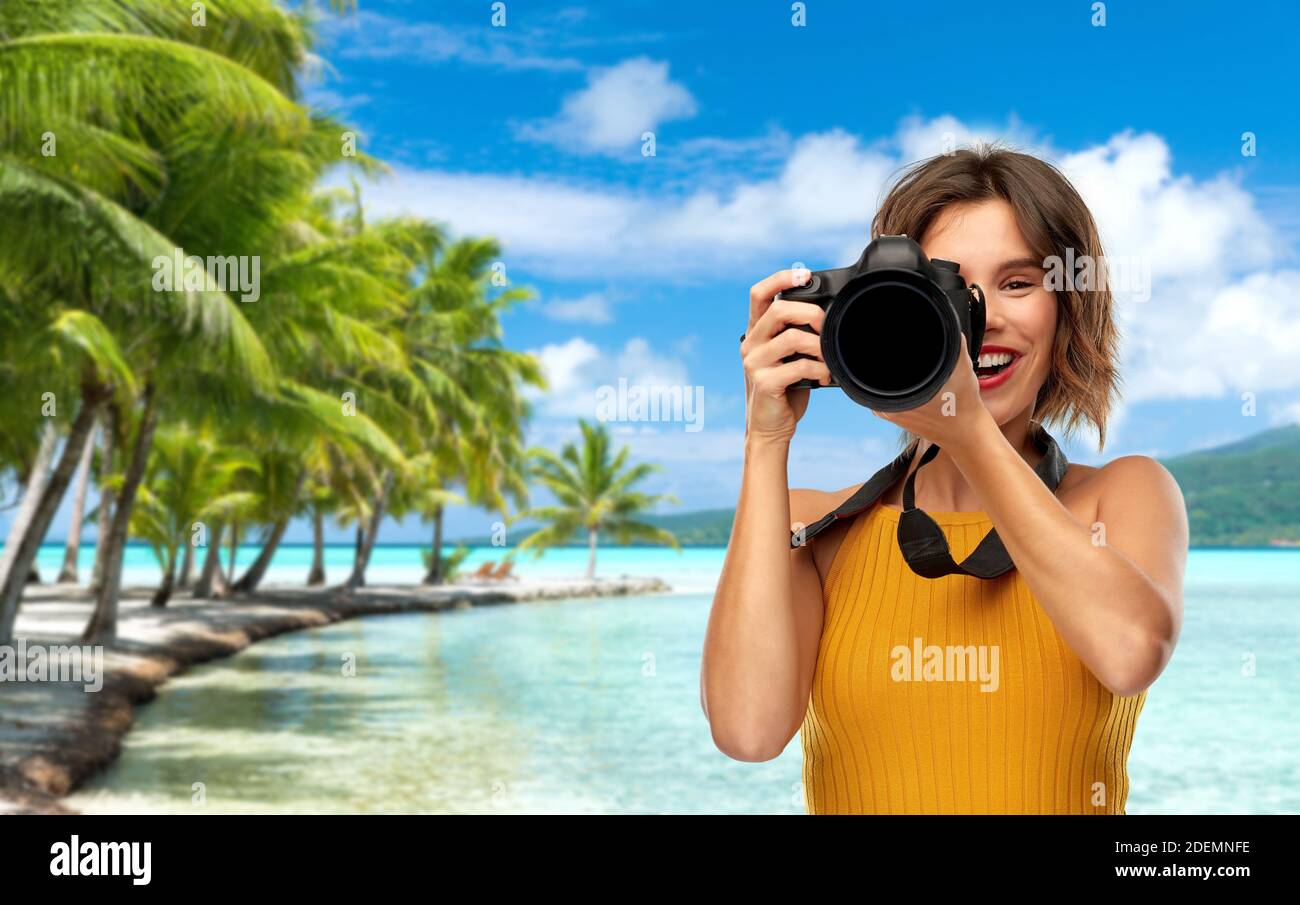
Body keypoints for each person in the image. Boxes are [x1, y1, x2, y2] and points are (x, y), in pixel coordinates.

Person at [700, 144, 1188, 814]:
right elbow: (747, 730)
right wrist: (765, 438)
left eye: (1019, 284)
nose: (982, 321)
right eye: (953, 289)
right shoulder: (817, 525)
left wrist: (966, 427)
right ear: (888, 309)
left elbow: (1132, 652)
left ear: (1069, 308)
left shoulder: (1122, 494)